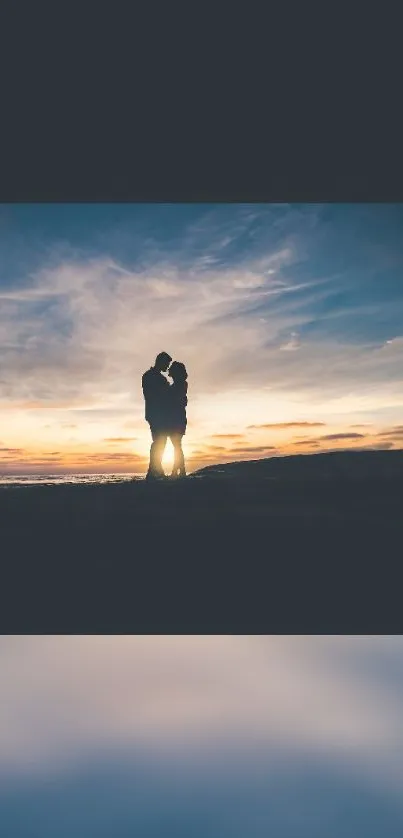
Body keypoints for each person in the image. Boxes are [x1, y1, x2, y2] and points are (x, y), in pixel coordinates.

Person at [142, 351, 172, 480]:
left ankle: (155, 470)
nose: (167, 367)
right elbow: (153, 395)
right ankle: (153, 471)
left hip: (156, 414)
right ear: (161, 362)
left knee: (160, 442)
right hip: (156, 414)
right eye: (167, 364)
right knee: (158, 442)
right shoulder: (151, 377)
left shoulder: (154, 377)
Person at [167, 360, 188, 478]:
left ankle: (178, 471)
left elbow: (177, 400)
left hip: (177, 419)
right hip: (177, 418)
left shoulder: (179, 385)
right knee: (177, 445)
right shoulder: (180, 385)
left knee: (177, 446)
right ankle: (180, 471)